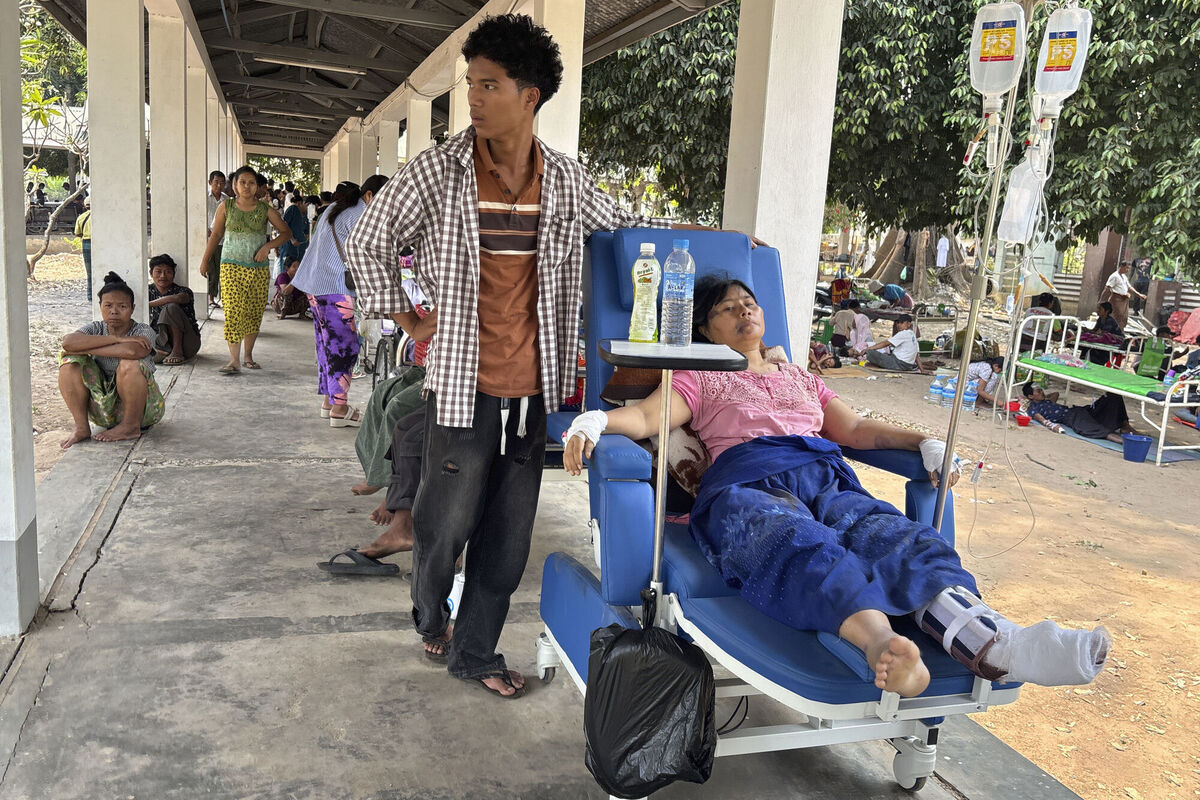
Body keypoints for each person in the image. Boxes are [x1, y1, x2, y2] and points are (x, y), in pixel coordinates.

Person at [345, 13, 752, 699]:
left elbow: (625, 235)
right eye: (471, 85)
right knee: (443, 531)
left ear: (529, 95)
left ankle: (474, 651)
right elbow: (367, 243)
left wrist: (727, 245)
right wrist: (413, 321)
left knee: (506, 540)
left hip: (534, 391)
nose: (473, 100)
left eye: (489, 85)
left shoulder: (564, 181)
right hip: (461, 382)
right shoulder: (438, 173)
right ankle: (428, 612)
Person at [563, 277, 1111, 698]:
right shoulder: (703, 377)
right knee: (795, 542)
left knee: (893, 536)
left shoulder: (800, 376)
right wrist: (595, 422)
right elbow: (646, 419)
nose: (744, 310)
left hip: (824, 475)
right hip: (746, 484)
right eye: (726, 308)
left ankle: (999, 644)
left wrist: (925, 440)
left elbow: (853, 430)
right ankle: (885, 648)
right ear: (706, 330)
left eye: (749, 301)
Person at [293, 176, 389, 425]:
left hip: (315, 287)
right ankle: (340, 409)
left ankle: (330, 401)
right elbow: (369, 255)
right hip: (335, 288)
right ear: (369, 196)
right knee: (344, 348)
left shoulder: (337, 209)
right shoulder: (361, 215)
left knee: (327, 346)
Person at [200, 166, 291, 375]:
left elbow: (286, 232)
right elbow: (215, 235)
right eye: (243, 182)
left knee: (253, 312)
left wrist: (268, 246)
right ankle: (234, 360)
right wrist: (205, 260)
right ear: (235, 185)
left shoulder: (265, 209)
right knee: (232, 311)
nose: (247, 187)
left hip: (257, 270)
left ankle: (248, 355)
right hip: (230, 267)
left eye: (251, 183)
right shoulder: (226, 207)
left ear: (257, 186)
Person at [58, 272, 166, 449]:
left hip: (143, 411)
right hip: (103, 408)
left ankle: (130, 426)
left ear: (132, 308)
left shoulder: (143, 330)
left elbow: (133, 351)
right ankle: (81, 427)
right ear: (100, 306)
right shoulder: (96, 327)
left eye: (122, 306)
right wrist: (119, 340)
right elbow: (68, 343)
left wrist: (86, 347)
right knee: (70, 362)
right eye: (108, 305)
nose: (114, 311)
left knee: (129, 364)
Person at [1022, 382, 1135, 442]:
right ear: (1031, 396)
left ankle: (1125, 426)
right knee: (1093, 429)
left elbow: (1056, 393)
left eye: (1041, 389)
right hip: (1070, 417)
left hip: (1080, 411)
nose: (1041, 392)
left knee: (1113, 396)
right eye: (1038, 391)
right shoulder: (1033, 408)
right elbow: (1041, 419)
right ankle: (1124, 442)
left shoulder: (1047, 401)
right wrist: (1052, 426)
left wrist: (1042, 396)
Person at [147, 254, 201, 365]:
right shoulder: (146, 292)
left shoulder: (184, 291)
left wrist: (147, 304)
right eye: (158, 272)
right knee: (147, 357)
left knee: (170, 307)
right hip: (160, 341)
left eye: (168, 272)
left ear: (174, 274)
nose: (163, 276)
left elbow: (176, 298)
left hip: (187, 343)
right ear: (151, 273)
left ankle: (177, 351)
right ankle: (164, 352)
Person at [855, 315, 925, 372]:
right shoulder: (912, 334)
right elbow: (916, 354)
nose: (898, 325)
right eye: (898, 323)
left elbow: (886, 343)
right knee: (885, 355)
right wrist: (922, 370)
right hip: (908, 366)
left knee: (870, 353)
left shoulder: (904, 333)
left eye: (901, 323)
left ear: (909, 324)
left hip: (899, 364)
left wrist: (868, 349)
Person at [204, 170, 226, 310]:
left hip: (223, 240)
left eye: (222, 182)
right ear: (210, 182)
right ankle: (211, 297)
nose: (219, 185)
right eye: (216, 182)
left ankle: (223, 297)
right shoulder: (205, 198)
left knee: (221, 269)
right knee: (211, 269)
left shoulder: (227, 200)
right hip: (208, 240)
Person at [1101, 261, 1145, 330]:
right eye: (1126, 268)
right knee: (1115, 316)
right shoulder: (1114, 276)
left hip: (1124, 300)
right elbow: (1107, 288)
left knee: (1123, 318)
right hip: (1116, 300)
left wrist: (1139, 295)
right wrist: (1102, 301)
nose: (1127, 270)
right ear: (1121, 266)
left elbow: (1129, 287)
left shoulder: (1124, 276)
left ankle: (1120, 331)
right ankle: (1110, 331)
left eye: (1129, 269)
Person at [279, 193, 309, 265]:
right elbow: (284, 224)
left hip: (299, 247)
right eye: (307, 205)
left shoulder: (303, 215)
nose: (307, 208)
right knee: (288, 266)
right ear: (299, 203)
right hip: (290, 245)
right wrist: (292, 239)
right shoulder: (292, 209)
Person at [74, 197, 93, 299]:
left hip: (86, 243)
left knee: (89, 272)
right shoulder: (101, 217)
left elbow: (77, 233)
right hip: (99, 243)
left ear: (85, 206)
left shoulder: (81, 217)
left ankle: (90, 296)